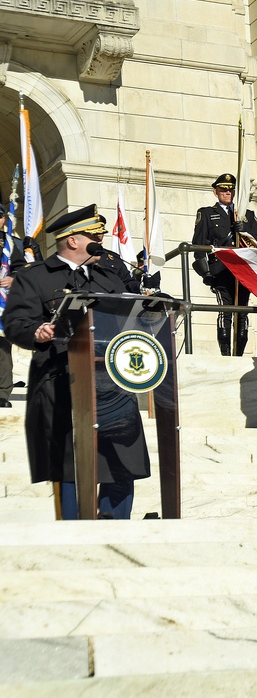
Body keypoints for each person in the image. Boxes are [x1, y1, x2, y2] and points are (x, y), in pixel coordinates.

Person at [3, 206, 150, 519]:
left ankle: (115, 526)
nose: (102, 240)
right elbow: (14, 322)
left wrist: (150, 310)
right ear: (72, 241)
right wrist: (37, 331)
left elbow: (131, 316)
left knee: (122, 462)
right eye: (94, 236)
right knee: (70, 467)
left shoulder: (109, 276)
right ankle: (74, 532)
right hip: (61, 386)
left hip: (112, 385)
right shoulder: (36, 277)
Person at [192, 172, 257, 356]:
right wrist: (205, 273)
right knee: (225, 311)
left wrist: (245, 231)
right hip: (221, 269)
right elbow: (199, 245)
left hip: (244, 270)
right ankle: (225, 352)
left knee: (242, 314)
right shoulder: (207, 213)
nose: (228, 193)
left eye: (231, 190)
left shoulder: (247, 215)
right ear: (216, 192)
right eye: (223, 190)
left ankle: (239, 353)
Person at [1, 203, 27, 408]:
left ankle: (2, 392)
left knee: (2, 348)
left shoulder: (9, 244)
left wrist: (13, 279)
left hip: (1, 301)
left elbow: (21, 269)